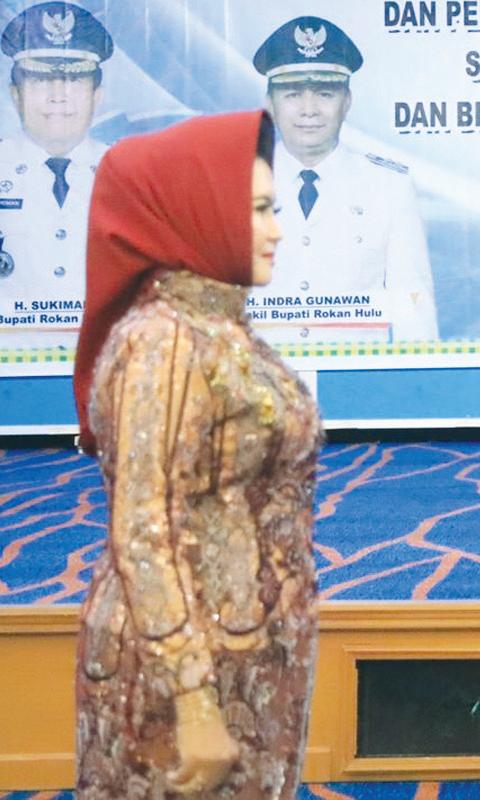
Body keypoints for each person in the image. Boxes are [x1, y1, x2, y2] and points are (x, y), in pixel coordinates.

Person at [72, 110, 321, 798]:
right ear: (198, 212)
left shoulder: (216, 327)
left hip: (241, 649)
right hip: (184, 673)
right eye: (259, 211)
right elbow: (143, 527)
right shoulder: (164, 342)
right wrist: (194, 699)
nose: (276, 230)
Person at [248, 15, 438, 344]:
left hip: (356, 372)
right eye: (292, 94)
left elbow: (412, 307)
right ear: (270, 104)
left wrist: (419, 373)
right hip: (262, 372)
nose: (309, 110)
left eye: (325, 94)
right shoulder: (236, 183)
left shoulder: (388, 187)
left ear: (347, 102)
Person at [0, 1, 112, 349]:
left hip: (103, 364)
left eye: (74, 79)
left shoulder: (129, 176)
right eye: (40, 80)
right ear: (15, 95)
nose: (58, 97)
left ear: (97, 96)